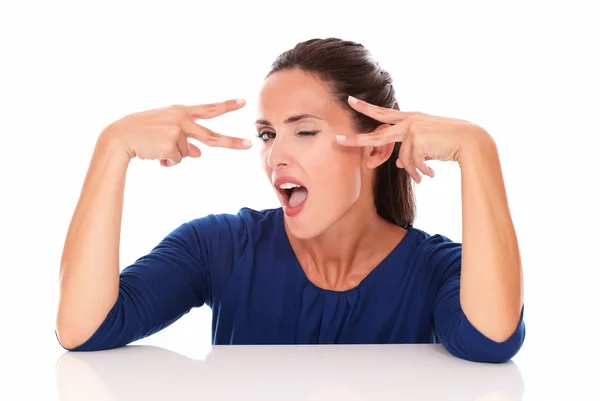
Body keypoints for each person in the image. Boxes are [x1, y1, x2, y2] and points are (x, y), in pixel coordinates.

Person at [55, 38, 525, 363]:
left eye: (304, 131)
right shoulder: (218, 246)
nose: (275, 155)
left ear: (377, 148)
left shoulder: (438, 269)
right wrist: (112, 148)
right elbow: (85, 330)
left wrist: (478, 151)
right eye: (266, 134)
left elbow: (491, 341)